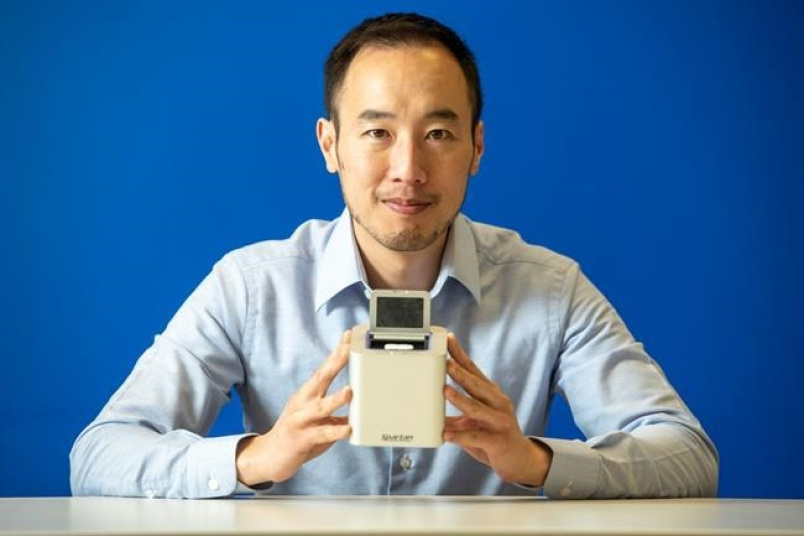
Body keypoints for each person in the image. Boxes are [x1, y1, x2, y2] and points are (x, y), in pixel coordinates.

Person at [70, 12, 718, 499]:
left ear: (477, 147)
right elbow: (99, 455)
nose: (408, 169)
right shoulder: (250, 287)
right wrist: (254, 459)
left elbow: (688, 454)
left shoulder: (552, 290)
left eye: (438, 133)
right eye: (377, 131)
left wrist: (536, 462)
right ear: (330, 145)